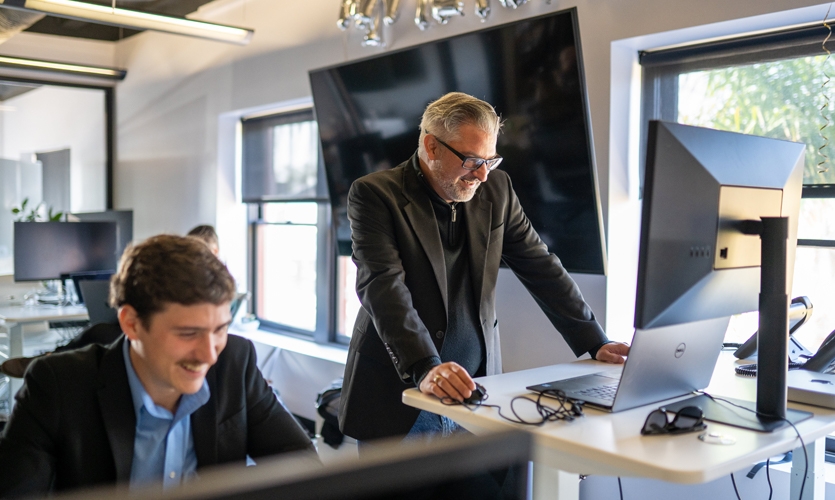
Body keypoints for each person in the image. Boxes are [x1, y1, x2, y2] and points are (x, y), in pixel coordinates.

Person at [339, 92, 629, 443]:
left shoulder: (498, 190)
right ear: (432, 146)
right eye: (472, 160)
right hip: (401, 397)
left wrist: (595, 341)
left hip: (477, 391)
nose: (482, 174)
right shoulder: (375, 194)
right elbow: (383, 286)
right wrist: (425, 367)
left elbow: (540, 266)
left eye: (490, 161)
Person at [0, 235, 317, 497]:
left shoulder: (235, 361)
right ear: (131, 323)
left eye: (220, 329)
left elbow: (305, 469)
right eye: (188, 333)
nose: (209, 355)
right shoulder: (57, 385)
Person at [0, 225, 223, 378]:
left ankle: (47, 361)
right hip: (129, 326)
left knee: (101, 335)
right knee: (99, 331)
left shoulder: (221, 290)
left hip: (125, 334)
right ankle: (48, 362)